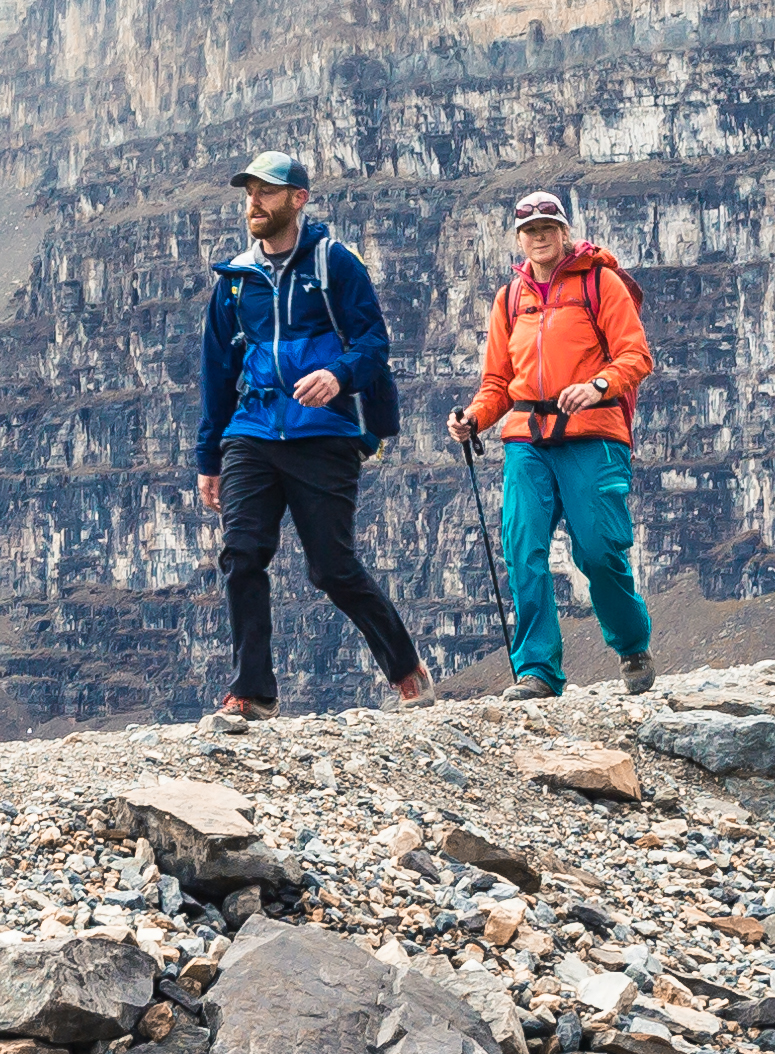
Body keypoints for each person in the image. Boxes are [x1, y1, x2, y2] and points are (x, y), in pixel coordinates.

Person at [190, 152, 431, 719]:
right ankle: (253, 691)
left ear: (297, 199)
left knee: (331, 567)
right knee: (242, 555)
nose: (254, 202)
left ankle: (402, 662)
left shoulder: (335, 264)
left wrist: (337, 376)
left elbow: (373, 343)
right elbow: (215, 374)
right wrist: (209, 457)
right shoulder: (233, 282)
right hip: (251, 432)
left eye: (267, 192)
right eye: (249, 191)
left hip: (325, 433)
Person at [449, 186, 657, 698]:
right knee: (524, 549)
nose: (538, 237)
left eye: (547, 228)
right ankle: (538, 671)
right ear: (520, 239)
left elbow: (636, 357)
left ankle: (632, 643)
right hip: (526, 439)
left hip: (593, 434)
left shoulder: (600, 284)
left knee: (598, 549)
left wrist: (597, 387)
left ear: (564, 232)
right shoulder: (509, 299)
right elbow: (497, 383)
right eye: (529, 230)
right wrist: (474, 419)